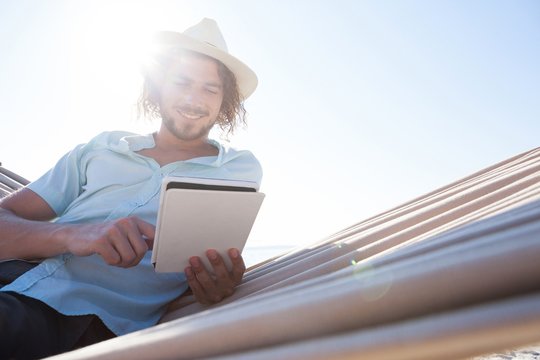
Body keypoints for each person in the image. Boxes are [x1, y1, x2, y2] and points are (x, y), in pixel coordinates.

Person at [0, 18, 262, 359]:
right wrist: (72, 235)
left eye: (209, 88)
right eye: (181, 82)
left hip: (77, 315)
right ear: (158, 86)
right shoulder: (102, 147)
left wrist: (218, 282)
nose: (193, 98)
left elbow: (211, 260)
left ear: (224, 100)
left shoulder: (238, 169)